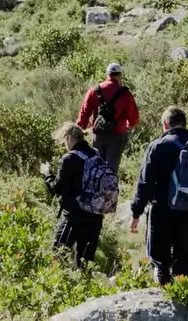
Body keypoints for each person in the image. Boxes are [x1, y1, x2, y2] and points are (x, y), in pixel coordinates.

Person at [128, 106, 188, 285]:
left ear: (165, 125)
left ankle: (164, 296)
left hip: (162, 208)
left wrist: (136, 212)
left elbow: (145, 182)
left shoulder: (158, 146)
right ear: (184, 124)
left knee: (159, 260)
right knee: (182, 257)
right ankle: (184, 297)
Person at [41, 123, 106, 269]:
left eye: (64, 141)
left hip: (74, 217)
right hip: (95, 216)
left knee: (57, 256)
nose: (65, 145)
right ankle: (84, 288)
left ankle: (59, 287)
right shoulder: (96, 154)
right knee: (85, 264)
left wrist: (47, 175)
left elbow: (57, 189)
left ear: (69, 137)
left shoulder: (69, 158)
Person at [76, 63, 140, 174]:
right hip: (117, 134)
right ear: (119, 75)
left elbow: (84, 112)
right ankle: (109, 189)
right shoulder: (125, 94)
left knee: (97, 165)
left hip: (98, 133)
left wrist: (79, 129)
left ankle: (96, 187)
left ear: (107, 74)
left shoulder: (94, 90)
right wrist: (130, 125)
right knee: (111, 168)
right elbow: (133, 117)